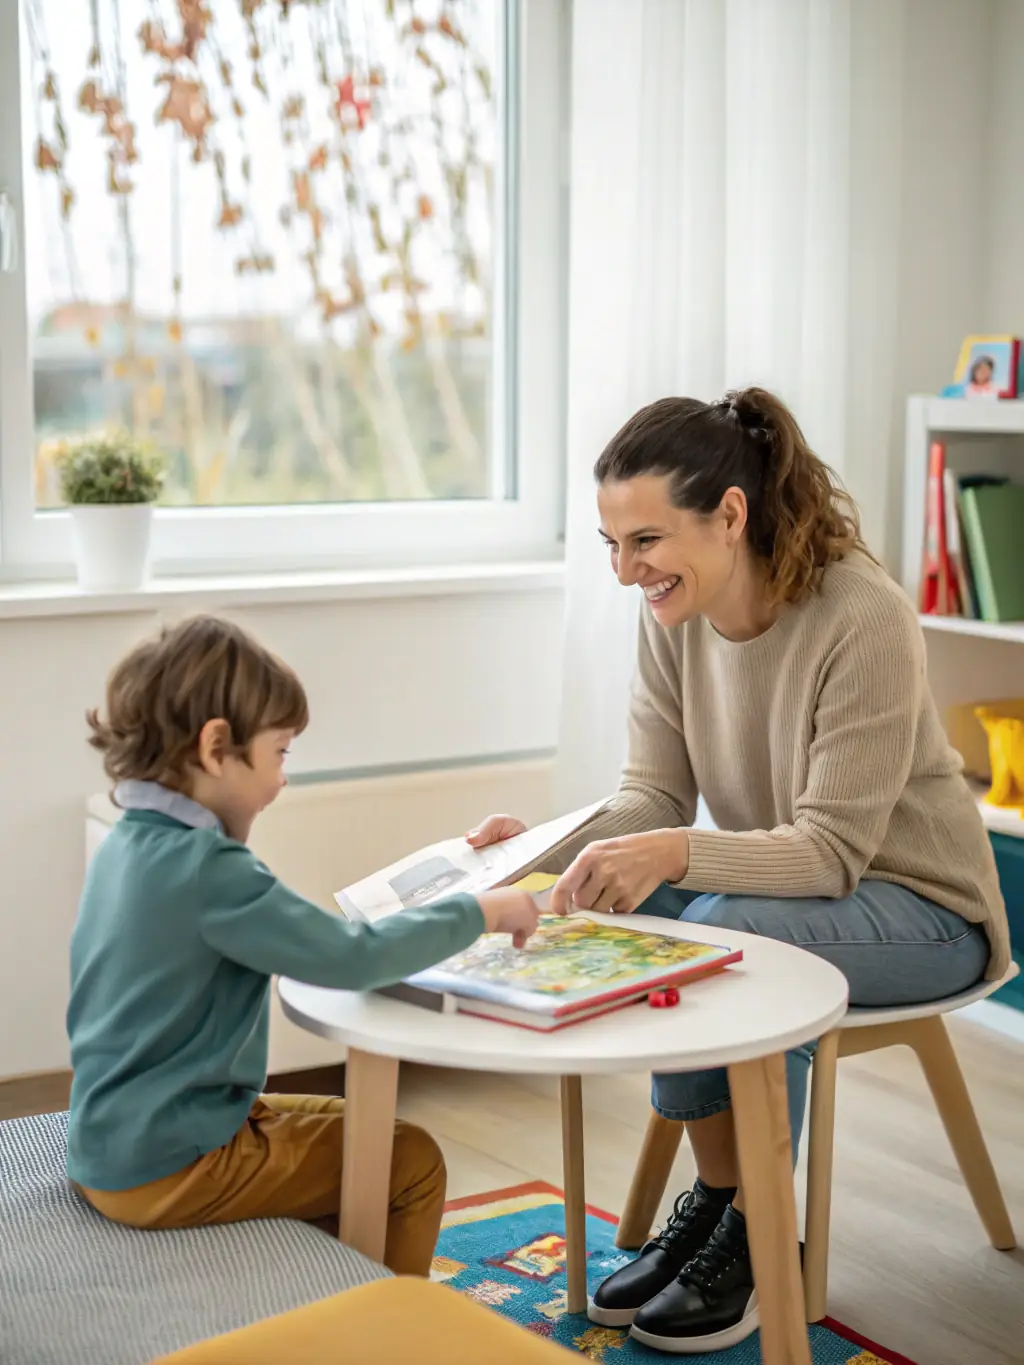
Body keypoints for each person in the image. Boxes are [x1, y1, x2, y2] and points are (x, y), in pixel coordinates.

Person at [468, 388, 1010, 1354]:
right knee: (654, 907)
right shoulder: (671, 616)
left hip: (927, 912)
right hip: (791, 896)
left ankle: (760, 1234)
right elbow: (651, 798)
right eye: (611, 543)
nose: (628, 570)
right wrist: (538, 852)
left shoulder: (863, 615)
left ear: (729, 514)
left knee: (719, 921)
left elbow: (832, 850)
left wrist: (672, 852)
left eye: (646, 540)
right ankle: (724, 1198)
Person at [67, 615, 539, 1277]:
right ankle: (383, 1330)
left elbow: (312, 940)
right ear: (215, 747)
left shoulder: (129, 842)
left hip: (113, 1141)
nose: (284, 779)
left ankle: (318, 1289)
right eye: (280, 753)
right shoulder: (210, 869)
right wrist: (480, 909)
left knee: (365, 1126)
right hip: (169, 1163)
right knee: (410, 1162)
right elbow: (352, 955)